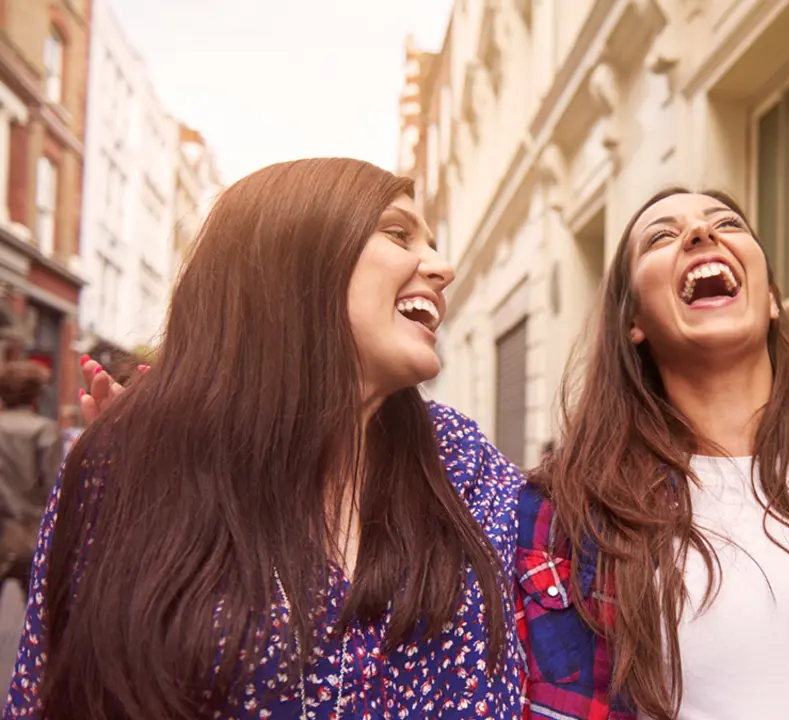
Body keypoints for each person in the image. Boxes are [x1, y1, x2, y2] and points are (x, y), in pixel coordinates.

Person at [3, 158, 525, 720]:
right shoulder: (123, 468)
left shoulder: (462, 463)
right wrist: (156, 460)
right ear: (294, 262)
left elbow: (603, 541)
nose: (443, 268)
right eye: (398, 234)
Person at [516, 188, 789, 719]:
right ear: (633, 322)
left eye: (726, 223)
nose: (701, 234)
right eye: (661, 236)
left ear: (771, 297)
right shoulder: (569, 515)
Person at [0, 361, 60, 592]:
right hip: (33, 534)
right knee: (36, 613)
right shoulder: (43, 430)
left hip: (3, 529)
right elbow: (54, 487)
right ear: (36, 395)